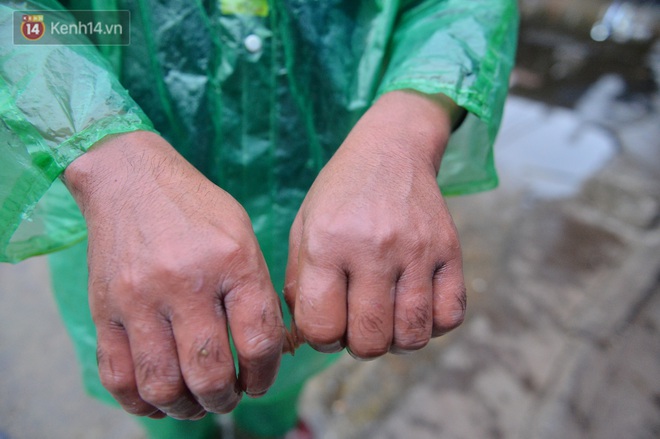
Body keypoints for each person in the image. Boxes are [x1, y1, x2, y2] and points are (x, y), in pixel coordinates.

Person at [0, 1, 519, 438]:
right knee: (163, 389)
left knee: (286, 378)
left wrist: (407, 127)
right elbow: (21, 17)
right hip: (120, 226)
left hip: (333, 194)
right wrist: (106, 159)